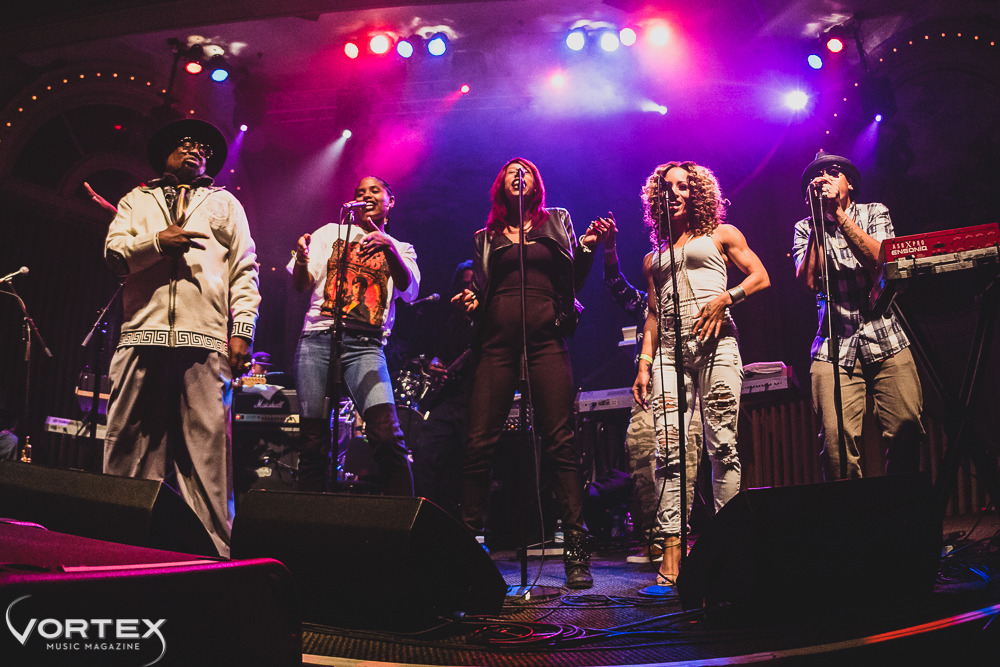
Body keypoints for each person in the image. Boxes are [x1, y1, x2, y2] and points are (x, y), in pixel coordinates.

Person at [103, 118, 260, 558]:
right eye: (187, 144)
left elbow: (245, 271)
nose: (196, 150)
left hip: (205, 339)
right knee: (128, 449)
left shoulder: (225, 203)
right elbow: (115, 256)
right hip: (142, 335)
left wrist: (242, 330)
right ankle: (116, 549)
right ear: (167, 153)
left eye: (203, 148)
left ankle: (213, 558)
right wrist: (157, 242)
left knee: (208, 457)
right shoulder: (136, 199)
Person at [453, 157, 612, 589]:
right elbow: (480, 290)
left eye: (525, 171)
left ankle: (576, 551)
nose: (518, 175)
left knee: (561, 443)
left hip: (545, 342)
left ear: (536, 183)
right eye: (510, 171)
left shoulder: (557, 221)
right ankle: (470, 546)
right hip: (496, 346)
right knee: (478, 444)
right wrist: (471, 301)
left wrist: (589, 248)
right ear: (500, 185)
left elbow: (573, 281)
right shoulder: (485, 237)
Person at [632, 161, 769, 588]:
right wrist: (644, 362)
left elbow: (761, 276)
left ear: (698, 193)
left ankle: (727, 550)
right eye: (666, 187)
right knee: (668, 451)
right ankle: (673, 553)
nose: (674, 193)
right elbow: (653, 314)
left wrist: (726, 298)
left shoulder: (721, 235)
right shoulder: (653, 258)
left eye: (683, 186)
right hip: (669, 353)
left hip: (717, 345)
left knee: (722, 447)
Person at [792, 151, 923, 480]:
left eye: (833, 172)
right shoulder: (805, 227)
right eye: (817, 175)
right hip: (833, 346)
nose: (823, 178)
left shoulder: (874, 212)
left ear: (849, 183)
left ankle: (901, 508)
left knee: (906, 430)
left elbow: (882, 262)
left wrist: (838, 216)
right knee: (835, 448)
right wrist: (820, 222)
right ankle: (853, 513)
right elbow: (808, 282)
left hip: (886, 338)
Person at [289, 176, 419, 496]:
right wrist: (302, 259)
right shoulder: (329, 233)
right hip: (318, 339)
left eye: (375, 190)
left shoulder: (401, 248)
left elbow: (408, 289)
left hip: (366, 346)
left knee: (386, 435)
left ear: (390, 201)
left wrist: (388, 247)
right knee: (313, 442)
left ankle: (404, 520)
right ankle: (306, 520)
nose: (366, 195)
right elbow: (301, 285)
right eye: (360, 191)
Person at [598, 214, 703, 565]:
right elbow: (615, 283)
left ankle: (678, 537)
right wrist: (610, 248)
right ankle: (653, 538)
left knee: (683, 456)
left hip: (686, 385)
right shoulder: (647, 304)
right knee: (642, 453)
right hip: (649, 390)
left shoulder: (694, 298)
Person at [410, 260, 477, 517]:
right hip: (448, 401)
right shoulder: (450, 321)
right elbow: (435, 354)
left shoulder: (488, 320)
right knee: (425, 451)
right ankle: (426, 519)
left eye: (472, 285)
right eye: (463, 285)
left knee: (472, 463)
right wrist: (435, 363)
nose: (466, 290)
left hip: (477, 399)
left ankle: (473, 525)